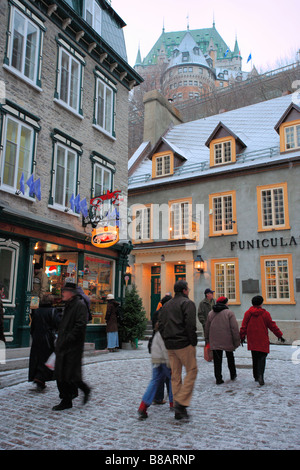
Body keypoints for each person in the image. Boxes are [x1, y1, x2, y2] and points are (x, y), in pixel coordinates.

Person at [159, 280, 198, 421]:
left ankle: (178, 409)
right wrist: (192, 341)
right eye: (188, 288)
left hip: (170, 344)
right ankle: (181, 403)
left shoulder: (167, 305)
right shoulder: (188, 303)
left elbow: (160, 325)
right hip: (183, 343)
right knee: (192, 371)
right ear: (184, 290)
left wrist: (166, 339)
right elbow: (190, 325)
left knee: (175, 376)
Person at [53, 282, 91, 410]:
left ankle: (75, 395)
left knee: (69, 374)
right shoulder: (68, 305)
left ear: (72, 293)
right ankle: (67, 398)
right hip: (64, 343)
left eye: (65, 291)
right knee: (62, 373)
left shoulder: (79, 306)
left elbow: (80, 326)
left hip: (73, 346)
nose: (62, 293)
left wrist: (68, 339)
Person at [240, 295, 285, 386]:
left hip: (252, 339)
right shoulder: (265, 314)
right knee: (262, 357)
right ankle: (261, 375)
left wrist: (242, 337)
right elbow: (272, 326)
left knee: (255, 357)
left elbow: (243, 326)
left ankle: (256, 376)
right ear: (261, 303)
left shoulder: (248, 313)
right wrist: (279, 335)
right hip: (262, 339)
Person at [138, 321, 173, 420]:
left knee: (155, 381)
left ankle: (143, 405)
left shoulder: (157, 333)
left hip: (156, 359)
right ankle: (174, 404)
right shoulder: (167, 334)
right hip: (165, 360)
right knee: (173, 379)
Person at [28, 293, 62, 392]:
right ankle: (40, 378)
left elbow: (33, 326)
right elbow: (58, 324)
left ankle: (39, 379)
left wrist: (33, 335)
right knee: (47, 359)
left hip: (37, 337)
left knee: (37, 358)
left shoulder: (37, 311)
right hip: (48, 338)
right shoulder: (53, 311)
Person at [205, 296, 240, 385]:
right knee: (230, 357)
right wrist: (236, 341)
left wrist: (207, 339)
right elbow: (234, 328)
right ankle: (233, 374)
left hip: (215, 340)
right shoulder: (229, 313)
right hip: (227, 340)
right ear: (225, 303)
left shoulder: (211, 313)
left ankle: (218, 378)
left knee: (217, 360)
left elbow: (207, 328)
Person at [150, 294, 172, 405]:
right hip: (165, 347)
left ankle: (157, 398)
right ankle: (174, 401)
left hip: (156, 347)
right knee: (170, 376)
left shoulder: (156, 314)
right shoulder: (168, 315)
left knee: (157, 376)